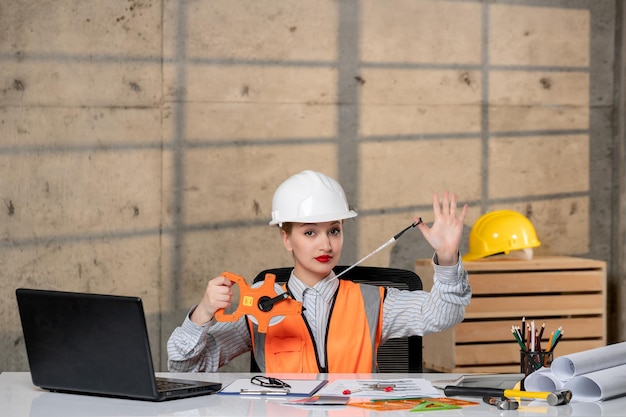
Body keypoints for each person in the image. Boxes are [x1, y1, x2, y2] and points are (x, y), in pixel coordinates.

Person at [167, 170, 471, 373]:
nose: (326, 244)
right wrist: (203, 313)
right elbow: (184, 367)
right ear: (287, 238)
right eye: (310, 233)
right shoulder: (260, 306)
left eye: (334, 231)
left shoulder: (374, 303)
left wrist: (447, 259)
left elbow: (443, 314)